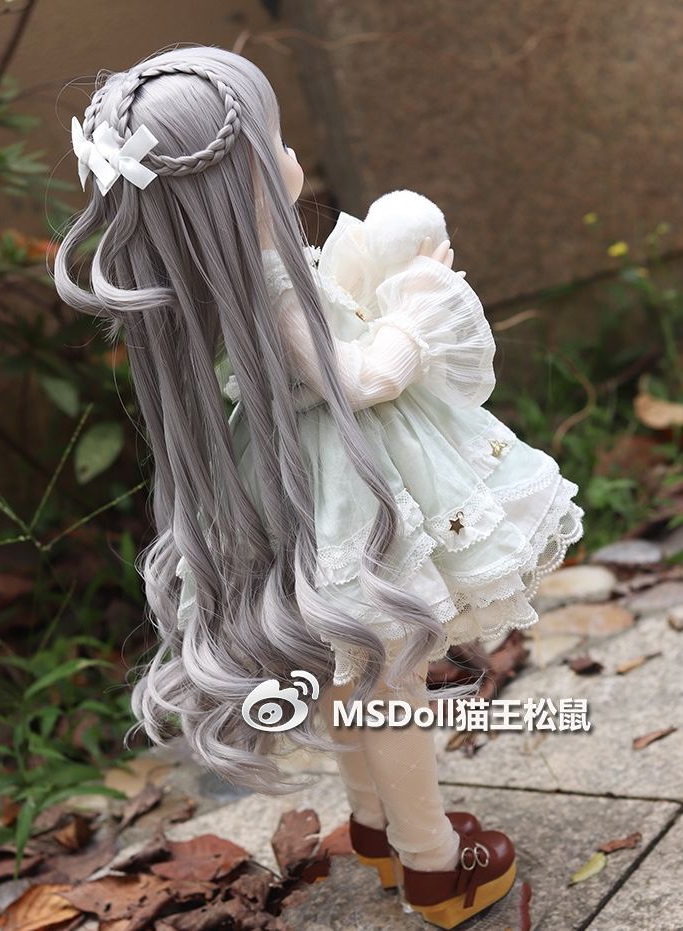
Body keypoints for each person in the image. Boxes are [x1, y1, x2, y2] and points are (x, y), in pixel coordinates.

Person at [54, 45, 583, 927]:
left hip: (291, 479)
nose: (291, 154)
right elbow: (359, 379)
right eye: (275, 144)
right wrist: (420, 307)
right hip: (346, 488)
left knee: (348, 666)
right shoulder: (268, 285)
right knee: (387, 673)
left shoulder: (238, 283)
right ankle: (432, 862)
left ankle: (375, 826)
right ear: (244, 179)